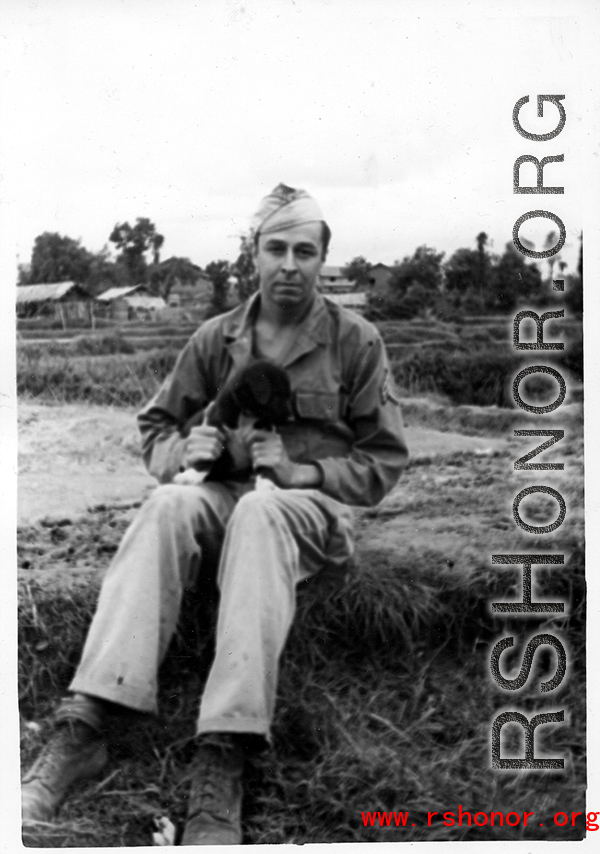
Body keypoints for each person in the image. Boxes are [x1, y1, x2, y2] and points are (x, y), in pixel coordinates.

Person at [21, 183, 409, 845]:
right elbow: (154, 428)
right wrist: (184, 450)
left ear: (322, 261)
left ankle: (224, 752)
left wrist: (302, 471)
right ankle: (86, 726)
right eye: (276, 249)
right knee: (170, 504)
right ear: (253, 255)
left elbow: (383, 460)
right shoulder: (214, 338)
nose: (290, 264)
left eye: (305, 252)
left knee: (262, 514)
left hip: (308, 511)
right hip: (221, 495)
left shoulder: (355, 341)